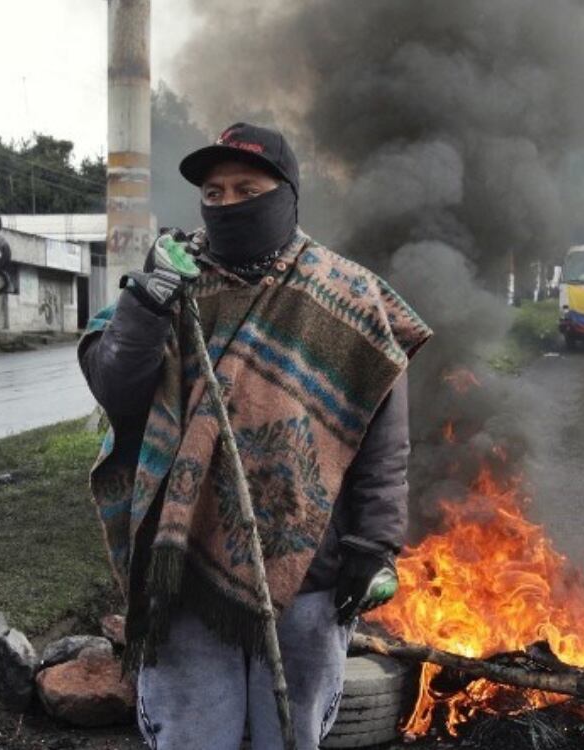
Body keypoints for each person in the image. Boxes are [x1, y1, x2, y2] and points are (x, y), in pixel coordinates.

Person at [79, 123, 432, 749]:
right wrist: (147, 299)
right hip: (184, 561)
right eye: (213, 192)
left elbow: (383, 441)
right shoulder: (173, 279)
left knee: (291, 736)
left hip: (310, 571)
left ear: (286, 193)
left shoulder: (347, 295)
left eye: (247, 187)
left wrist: (373, 545)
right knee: (192, 734)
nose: (227, 202)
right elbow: (115, 386)